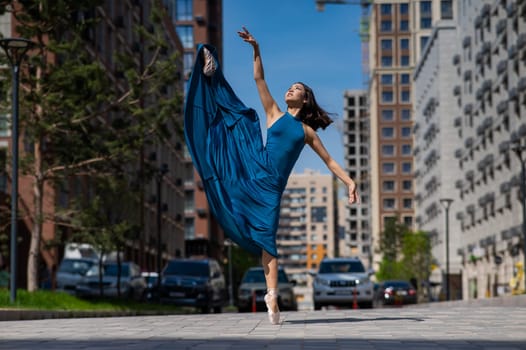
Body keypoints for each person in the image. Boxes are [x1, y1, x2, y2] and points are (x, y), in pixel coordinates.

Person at [184, 27, 359, 324]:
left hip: (271, 189)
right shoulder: (274, 113)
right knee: (237, 125)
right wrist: (256, 49)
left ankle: (272, 296)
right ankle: (212, 78)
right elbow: (258, 79)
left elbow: (329, 161)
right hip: (254, 169)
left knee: (267, 241)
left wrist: (350, 182)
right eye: (290, 87)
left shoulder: (306, 132)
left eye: (297, 89)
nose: (291, 89)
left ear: (305, 101)